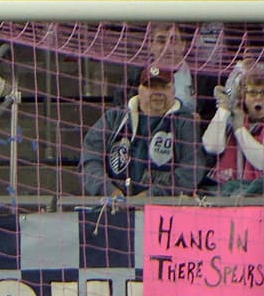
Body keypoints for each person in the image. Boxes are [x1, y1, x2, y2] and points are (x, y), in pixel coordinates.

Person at [80, 65, 200, 198]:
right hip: (112, 204)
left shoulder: (185, 123)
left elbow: (191, 170)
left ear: (173, 90)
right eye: (151, 87)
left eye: (163, 87)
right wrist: (109, 191)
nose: (158, 92)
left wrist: (151, 196)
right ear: (140, 90)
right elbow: (90, 160)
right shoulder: (113, 118)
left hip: (163, 206)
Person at [202, 66, 264, 196]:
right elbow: (212, 147)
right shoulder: (232, 117)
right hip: (221, 187)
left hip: (258, 191)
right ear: (243, 97)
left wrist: (240, 129)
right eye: (252, 93)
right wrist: (223, 109)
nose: (258, 98)